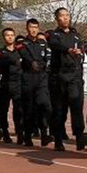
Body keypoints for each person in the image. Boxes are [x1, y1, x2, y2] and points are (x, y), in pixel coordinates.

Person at [47, 8, 87, 151]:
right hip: (59, 77)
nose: (65, 18)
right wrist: (68, 50)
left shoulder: (76, 35)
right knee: (59, 110)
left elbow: (81, 48)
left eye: (67, 15)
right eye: (62, 16)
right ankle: (58, 138)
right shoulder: (52, 34)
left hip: (74, 76)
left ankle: (79, 135)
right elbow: (54, 45)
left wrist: (78, 52)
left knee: (77, 106)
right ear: (57, 19)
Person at [16, 18, 53, 147]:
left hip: (42, 78)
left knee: (45, 105)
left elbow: (47, 57)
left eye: (36, 27)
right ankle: (27, 136)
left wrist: (43, 65)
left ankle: (44, 134)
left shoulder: (42, 43)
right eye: (31, 27)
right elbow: (25, 56)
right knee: (29, 109)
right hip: (28, 78)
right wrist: (32, 62)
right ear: (27, 28)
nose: (34, 30)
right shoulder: (22, 43)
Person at [0, 28, 23, 144]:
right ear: (4, 37)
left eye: (12, 35)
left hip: (18, 83)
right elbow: (1, 63)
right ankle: (5, 132)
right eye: (7, 35)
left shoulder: (20, 51)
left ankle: (20, 132)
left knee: (19, 110)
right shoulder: (0, 53)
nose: (10, 37)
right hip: (5, 83)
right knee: (3, 110)